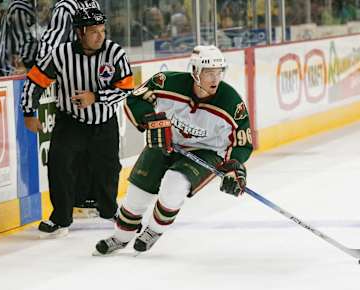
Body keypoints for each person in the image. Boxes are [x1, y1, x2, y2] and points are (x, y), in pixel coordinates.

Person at [94, 45, 253, 255]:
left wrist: (233, 166)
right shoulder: (167, 82)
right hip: (166, 142)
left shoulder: (231, 102)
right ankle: (121, 237)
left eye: (218, 72)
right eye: (208, 72)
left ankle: (153, 231)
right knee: (136, 194)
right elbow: (135, 98)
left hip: (206, 151)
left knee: (174, 183)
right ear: (195, 71)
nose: (215, 79)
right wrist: (149, 121)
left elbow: (242, 141)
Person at [21, 7, 134, 237]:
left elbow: (126, 89)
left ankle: (109, 210)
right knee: (60, 166)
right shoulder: (60, 54)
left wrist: (96, 97)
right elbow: (35, 82)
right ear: (80, 32)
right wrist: (28, 112)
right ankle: (60, 218)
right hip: (70, 122)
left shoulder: (114, 53)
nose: (100, 36)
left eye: (102, 30)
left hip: (104, 122)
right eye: (94, 31)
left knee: (108, 169)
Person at [37, 0, 101, 214]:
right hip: (72, 80)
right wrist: (46, 69)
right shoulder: (65, 7)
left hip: (91, 79)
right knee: (69, 146)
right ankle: (76, 198)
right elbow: (50, 42)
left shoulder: (92, 3)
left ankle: (87, 196)